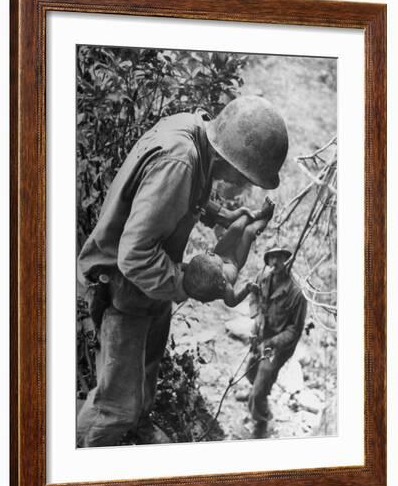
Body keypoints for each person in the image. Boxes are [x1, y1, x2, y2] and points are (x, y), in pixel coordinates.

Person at [76, 95, 289, 447]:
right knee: (114, 407)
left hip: (148, 288)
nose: (248, 185)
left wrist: (221, 216)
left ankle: (136, 429)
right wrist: (187, 284)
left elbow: (184, 194)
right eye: (249, 177)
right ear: (233, 162)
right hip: (123, 289)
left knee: (145, 375)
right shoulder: (181, 161)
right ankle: (85, 466)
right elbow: (135, 256)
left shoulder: (197, 135)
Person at [240, 246, 307, 437]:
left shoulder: (296, 293)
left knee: (265, 375)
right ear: (267, 261)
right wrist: (257, 315)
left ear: (287, 260)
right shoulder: (264, 278)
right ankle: (258, 393)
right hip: (261, 334)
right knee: (251, 369)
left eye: (280, 258)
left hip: (279, 347)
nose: (275, 262)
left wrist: (271, 343)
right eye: (272, 258)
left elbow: (295, 330)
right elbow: (254, 295)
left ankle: (261, 418)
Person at [182, 197, 275, 307]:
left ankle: (258, 214)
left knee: (236, 227)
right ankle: (265, 218)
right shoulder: (226, 289)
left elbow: (187, 268)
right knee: (249, 232)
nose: (209, 253)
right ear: (222, 280)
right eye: (210, 256)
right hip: (235, 261)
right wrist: (247, 289)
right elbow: (232, 303)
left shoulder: (203, 271)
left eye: (208, 254)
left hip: (221, 252)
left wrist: (183, 266)